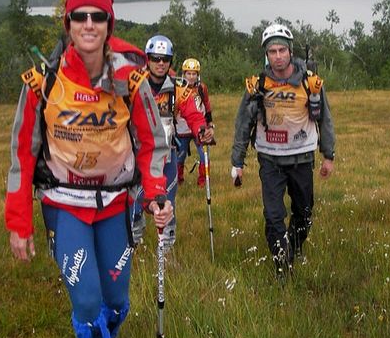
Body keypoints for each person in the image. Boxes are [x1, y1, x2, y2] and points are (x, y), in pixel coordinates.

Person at [5, 0, 173, 338]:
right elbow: (22, 155)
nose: (88, 25)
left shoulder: (131, 80)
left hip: (115, 204)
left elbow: (154, 143)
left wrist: (155, 192)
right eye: (79, 17)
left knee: (116, 304)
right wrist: (19, 223)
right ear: (68, 24)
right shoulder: (44, 80)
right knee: (87, 299)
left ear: (109, 25)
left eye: (97, 17)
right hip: (64, 207)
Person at [230, 23, 335, 281]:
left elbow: (326, 120)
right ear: (266, 54)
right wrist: (237, 161)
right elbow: (244, 123)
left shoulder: (310, 83)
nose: (277, 56)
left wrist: (328, 155)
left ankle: (294, 249)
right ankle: (282, 268)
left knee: (304, 214)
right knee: (274, 216)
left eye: (282, 50)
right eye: (272, 51)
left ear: (290, 51)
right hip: (270, 160)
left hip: (302, 159)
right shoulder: (258, 85)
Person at [132, 37, 214, 250]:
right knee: (135, 199)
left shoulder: (179, 88)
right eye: (156, 59)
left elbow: (194, 116)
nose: (161, 63)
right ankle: (132, 243)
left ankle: (166, 247)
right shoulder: (134, 83)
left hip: (166, 153)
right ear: (147, 59)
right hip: (136, 154)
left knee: (167, 200)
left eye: (165, 59)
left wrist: (201, 130)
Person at [176, 58, 214, 187]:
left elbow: (207, 106)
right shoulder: (178, 89)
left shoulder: (202, 88)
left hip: (200, 127)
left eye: (194, 74)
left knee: (204, 155)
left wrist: (210, 123)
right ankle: (178, 180)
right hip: (182, 128)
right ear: (184, 74)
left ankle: (203, 181)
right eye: (188, 73)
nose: (191, 77)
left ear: (198, 75)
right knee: (180, 157)